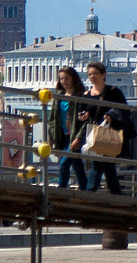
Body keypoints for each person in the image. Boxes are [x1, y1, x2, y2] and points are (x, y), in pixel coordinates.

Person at [71, 61, 132, 195]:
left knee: (100, 163)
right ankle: (116, 195)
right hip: (94, 133)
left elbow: (124, 111)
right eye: (90, 74)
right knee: (105, 164)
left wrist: (111, 116)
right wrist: (83, 116)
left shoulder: (113, 92)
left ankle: (90, 192)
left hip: (110, 132)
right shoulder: (87, 95)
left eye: (95, 74)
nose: (92, 76)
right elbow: (81, 112)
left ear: (103, 74)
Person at [51, 65, 87, 190]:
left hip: (75, 136)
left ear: (73, 79)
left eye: (66, 78)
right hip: (64, 136)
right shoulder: (59, 96)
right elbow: (52, 119)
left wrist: (78, 137)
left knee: (64, 163)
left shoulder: (81, 96)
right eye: (61, 79)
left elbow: (85, 121)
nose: (64, 81)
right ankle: (85, 190)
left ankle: (61, 190)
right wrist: (51, 136)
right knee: (77, 165)